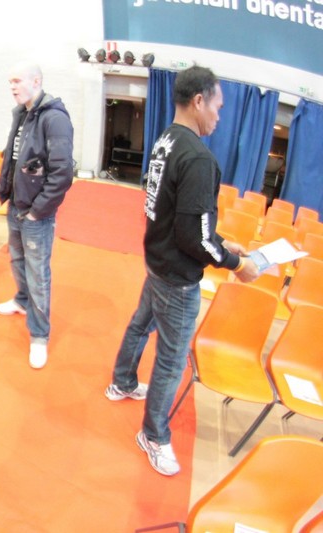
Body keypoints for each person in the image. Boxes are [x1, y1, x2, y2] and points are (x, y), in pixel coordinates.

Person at [105, 66, 259, 477]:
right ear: (198, 101)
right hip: (176, 275)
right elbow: (193, 237)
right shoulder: (198, 158)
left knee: (140, 325)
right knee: (172, 362)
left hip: (158, 260)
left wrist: (222, 242)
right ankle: (153, 435)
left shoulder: (166, 140)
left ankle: (122, 382)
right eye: (217, 107)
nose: (219, 117)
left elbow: (183, 218)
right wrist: (236, 264)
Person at [0, 62, 75, 369]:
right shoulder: (21, 113)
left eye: (17, 81)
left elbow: (62, 174)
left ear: (36, 81)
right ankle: (21, 300)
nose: (12, 87)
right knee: (17, 260)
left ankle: (39, 336)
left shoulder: (54, 118)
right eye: (10, 82)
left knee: (38, 273)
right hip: (16, 205)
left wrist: (36, 212)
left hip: (35, 213)